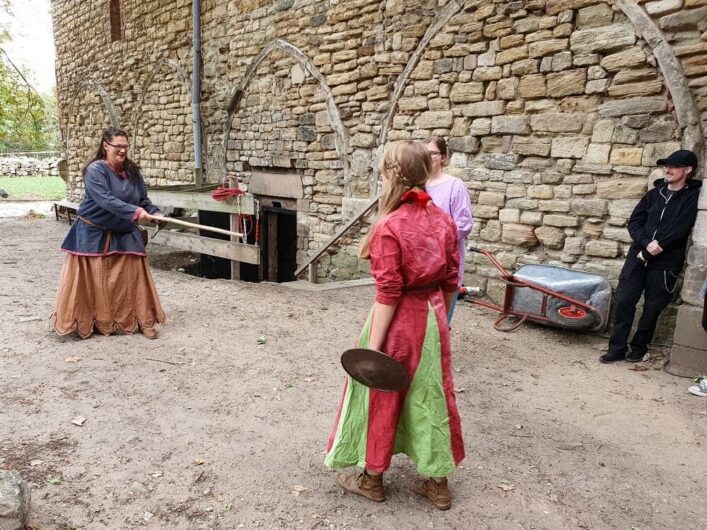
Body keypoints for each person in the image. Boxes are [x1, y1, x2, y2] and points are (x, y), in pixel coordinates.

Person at [324, 141, 465, 510]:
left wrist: (373, 346)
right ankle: (438, 484)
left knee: (381, 392)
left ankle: (372, 479)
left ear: (390, 174)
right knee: (432, 396)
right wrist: (441, 323)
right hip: (433, 318)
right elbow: (451, 281)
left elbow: (388, 292)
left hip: (399, 321)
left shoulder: (389, 225)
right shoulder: (443, 220)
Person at [51, 127, 166, 339]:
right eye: (118, 146)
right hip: (93, 231)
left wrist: (154, 212)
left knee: (133, 277)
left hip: (124, 230)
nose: (122, 151)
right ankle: (88, 322)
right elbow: (105, 200)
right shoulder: (96, 170)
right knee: (94, 280)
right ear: (106, 146)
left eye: (125, 146)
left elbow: (143, 199)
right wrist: (136, 212)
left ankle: (141, 320)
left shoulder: (133, 172)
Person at [600, 149, 702, 363]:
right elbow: (634, 222)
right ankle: (616, 348)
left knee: (652, 309)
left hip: (665, 262)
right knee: (625, 301)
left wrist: (657, 247)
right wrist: (646, 244)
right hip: (637, 257)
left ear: (687, 170)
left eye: (673, 166)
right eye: (666, 166)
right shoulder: (654, 194)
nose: (667, 169)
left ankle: (639, 348)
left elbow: (680, 228)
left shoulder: (693, 197)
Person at [423, 136, 473, 322]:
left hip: (446, 262)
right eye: (425, 154)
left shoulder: (455, 186)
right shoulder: (419, 184)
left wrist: (436, 237)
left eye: (433, 153)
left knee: (441, 320)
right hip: (422, 263)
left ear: (443, 157)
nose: (429, 158)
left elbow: (464, 224)